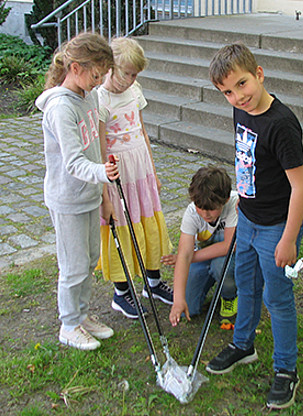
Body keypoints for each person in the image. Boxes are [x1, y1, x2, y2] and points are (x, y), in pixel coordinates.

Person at [205, 43, 303, 410]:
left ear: (260, 74)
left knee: (277, 299)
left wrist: (288, 239)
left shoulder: (281, 124)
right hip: (247, 218)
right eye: (227, 92)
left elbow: (300, 185)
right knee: (246, 286)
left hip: (276, 227)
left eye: (242, 85)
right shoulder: (241, 112)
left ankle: (286, 370)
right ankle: (242, 344)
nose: (237, 97)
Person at [35, 32, 118, 351]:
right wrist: (102, 174)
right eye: (96, 75)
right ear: (75, 67)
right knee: (73, 265)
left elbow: (96, 144)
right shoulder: (59, 108)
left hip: (89, 194)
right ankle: (68, 325)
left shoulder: (89, 96)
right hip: (67, 198)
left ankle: (82, 316)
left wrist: (103, 194)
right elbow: (73, 162)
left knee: (90, 259)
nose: (98, 83)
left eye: (102, 76)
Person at [96, 37, 173, 320]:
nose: (131, 79)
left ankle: (153, 284)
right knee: (123, 228)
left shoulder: (134, 90)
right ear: (110, 67)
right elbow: (100, 148)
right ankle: (122, 291)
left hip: (140, 171)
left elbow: (142, 132)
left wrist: (153, 173)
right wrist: (105, 192)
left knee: (148, 223)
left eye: (136, 74)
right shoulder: (100, 98)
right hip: (118, 175)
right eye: (127, 73)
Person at [164, 165, 239, 330]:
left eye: (211, 209)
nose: (205, 214)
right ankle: (212, 284)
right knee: (188, 307)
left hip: (229, 255)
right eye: (200, 207)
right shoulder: (191, 212)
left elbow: (229, 246)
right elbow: (184, 255)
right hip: (205, 253)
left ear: (225, 200)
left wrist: (190, 257)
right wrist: (178, 300)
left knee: (221, 266)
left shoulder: (234, 203)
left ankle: (229, 296)